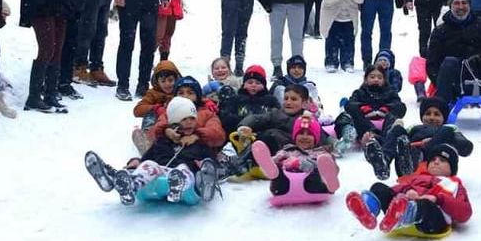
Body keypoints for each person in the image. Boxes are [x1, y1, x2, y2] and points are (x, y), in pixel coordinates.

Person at [83, 98, 221, 207]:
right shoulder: (162, 141)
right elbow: (146, 158)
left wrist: (204, 166)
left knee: (183, 169)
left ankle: (179, 185)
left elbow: (212, 162)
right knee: (150, 164)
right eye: (184, 119)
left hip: (187, 186)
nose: (189, 123)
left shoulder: (198, 143)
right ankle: (130, 185)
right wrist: (135, 164)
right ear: (174, 122)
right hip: (159, 178)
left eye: (192, 119)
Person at [345, 144, 472, 236]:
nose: (436, 162)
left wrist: (438, 199)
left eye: (443, 160)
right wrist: (407, 191)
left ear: (452, 168)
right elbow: (395, 190)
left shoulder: (455, 185)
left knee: (425, 205)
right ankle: (368, 212)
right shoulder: (418, 178)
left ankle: (404, 214)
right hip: (403, 205)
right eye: (433, 160)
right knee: (378, 188)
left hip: (433, 219)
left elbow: (465, 212)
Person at [368, 97, 475, 180]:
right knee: (398, 130)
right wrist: (374, 140)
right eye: (428, 114)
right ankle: (384, 163)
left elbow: (465, 147)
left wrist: (435, 142)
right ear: (422, 116)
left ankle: (413, 160)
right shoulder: (414, 128)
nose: (432, 117)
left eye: (437, 114)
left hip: (436, 159)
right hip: (410, 159)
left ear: (444, 117)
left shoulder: (449, 128)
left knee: (446, 130)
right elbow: (391, 142)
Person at [250, 113, 341, 197]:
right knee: (279, 173)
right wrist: (274, 161)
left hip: (312, 185)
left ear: (316, 138)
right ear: (294, 136)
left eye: (309, 134)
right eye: (301, 133)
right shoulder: (288, 149)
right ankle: (271, 171)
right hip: (285, 186)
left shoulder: (321, 152)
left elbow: (330, 165)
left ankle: (329, 183)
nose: (304, 137)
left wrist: (305, 165)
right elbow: (279, 157)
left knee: (320, 168)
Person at [347, 66, 408, 175]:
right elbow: (351, 105)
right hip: (366, 122)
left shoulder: (390, 93)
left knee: (395, 115)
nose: (376, 79)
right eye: (372, 77)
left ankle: (387, 137)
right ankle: (372, 136)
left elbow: (399, 106)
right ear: (366, 80)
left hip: (384, 120)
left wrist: (387, 108)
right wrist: (362, 107)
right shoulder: (360, 93)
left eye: (379, 77)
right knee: (352, 113)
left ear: (384, 80)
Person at [216, 65, 279, 134]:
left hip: (264, 135)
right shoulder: (236, 99)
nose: (253, 85)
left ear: (264, 85)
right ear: (244, 84)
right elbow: (227, 118)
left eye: (258, 83)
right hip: (238, 134)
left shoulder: (271, 100)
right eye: (250, 82)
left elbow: (277, 118)